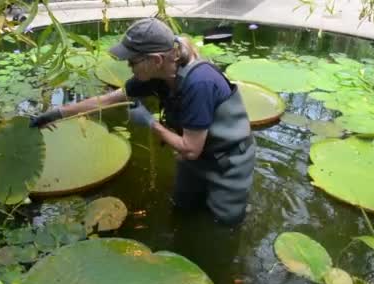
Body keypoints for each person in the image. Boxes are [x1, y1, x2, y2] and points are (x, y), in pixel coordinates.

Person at [29, 18, 255, 225]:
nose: (128, 67)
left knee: (223, 225)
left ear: (156, 60)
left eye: (132, 61)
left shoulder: (200, 83)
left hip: (227, 161)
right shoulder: (157, 75)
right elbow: (108, 100)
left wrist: (149, 121)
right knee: (183, 207)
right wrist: (58, 113)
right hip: (194, 155)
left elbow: (190, 149)